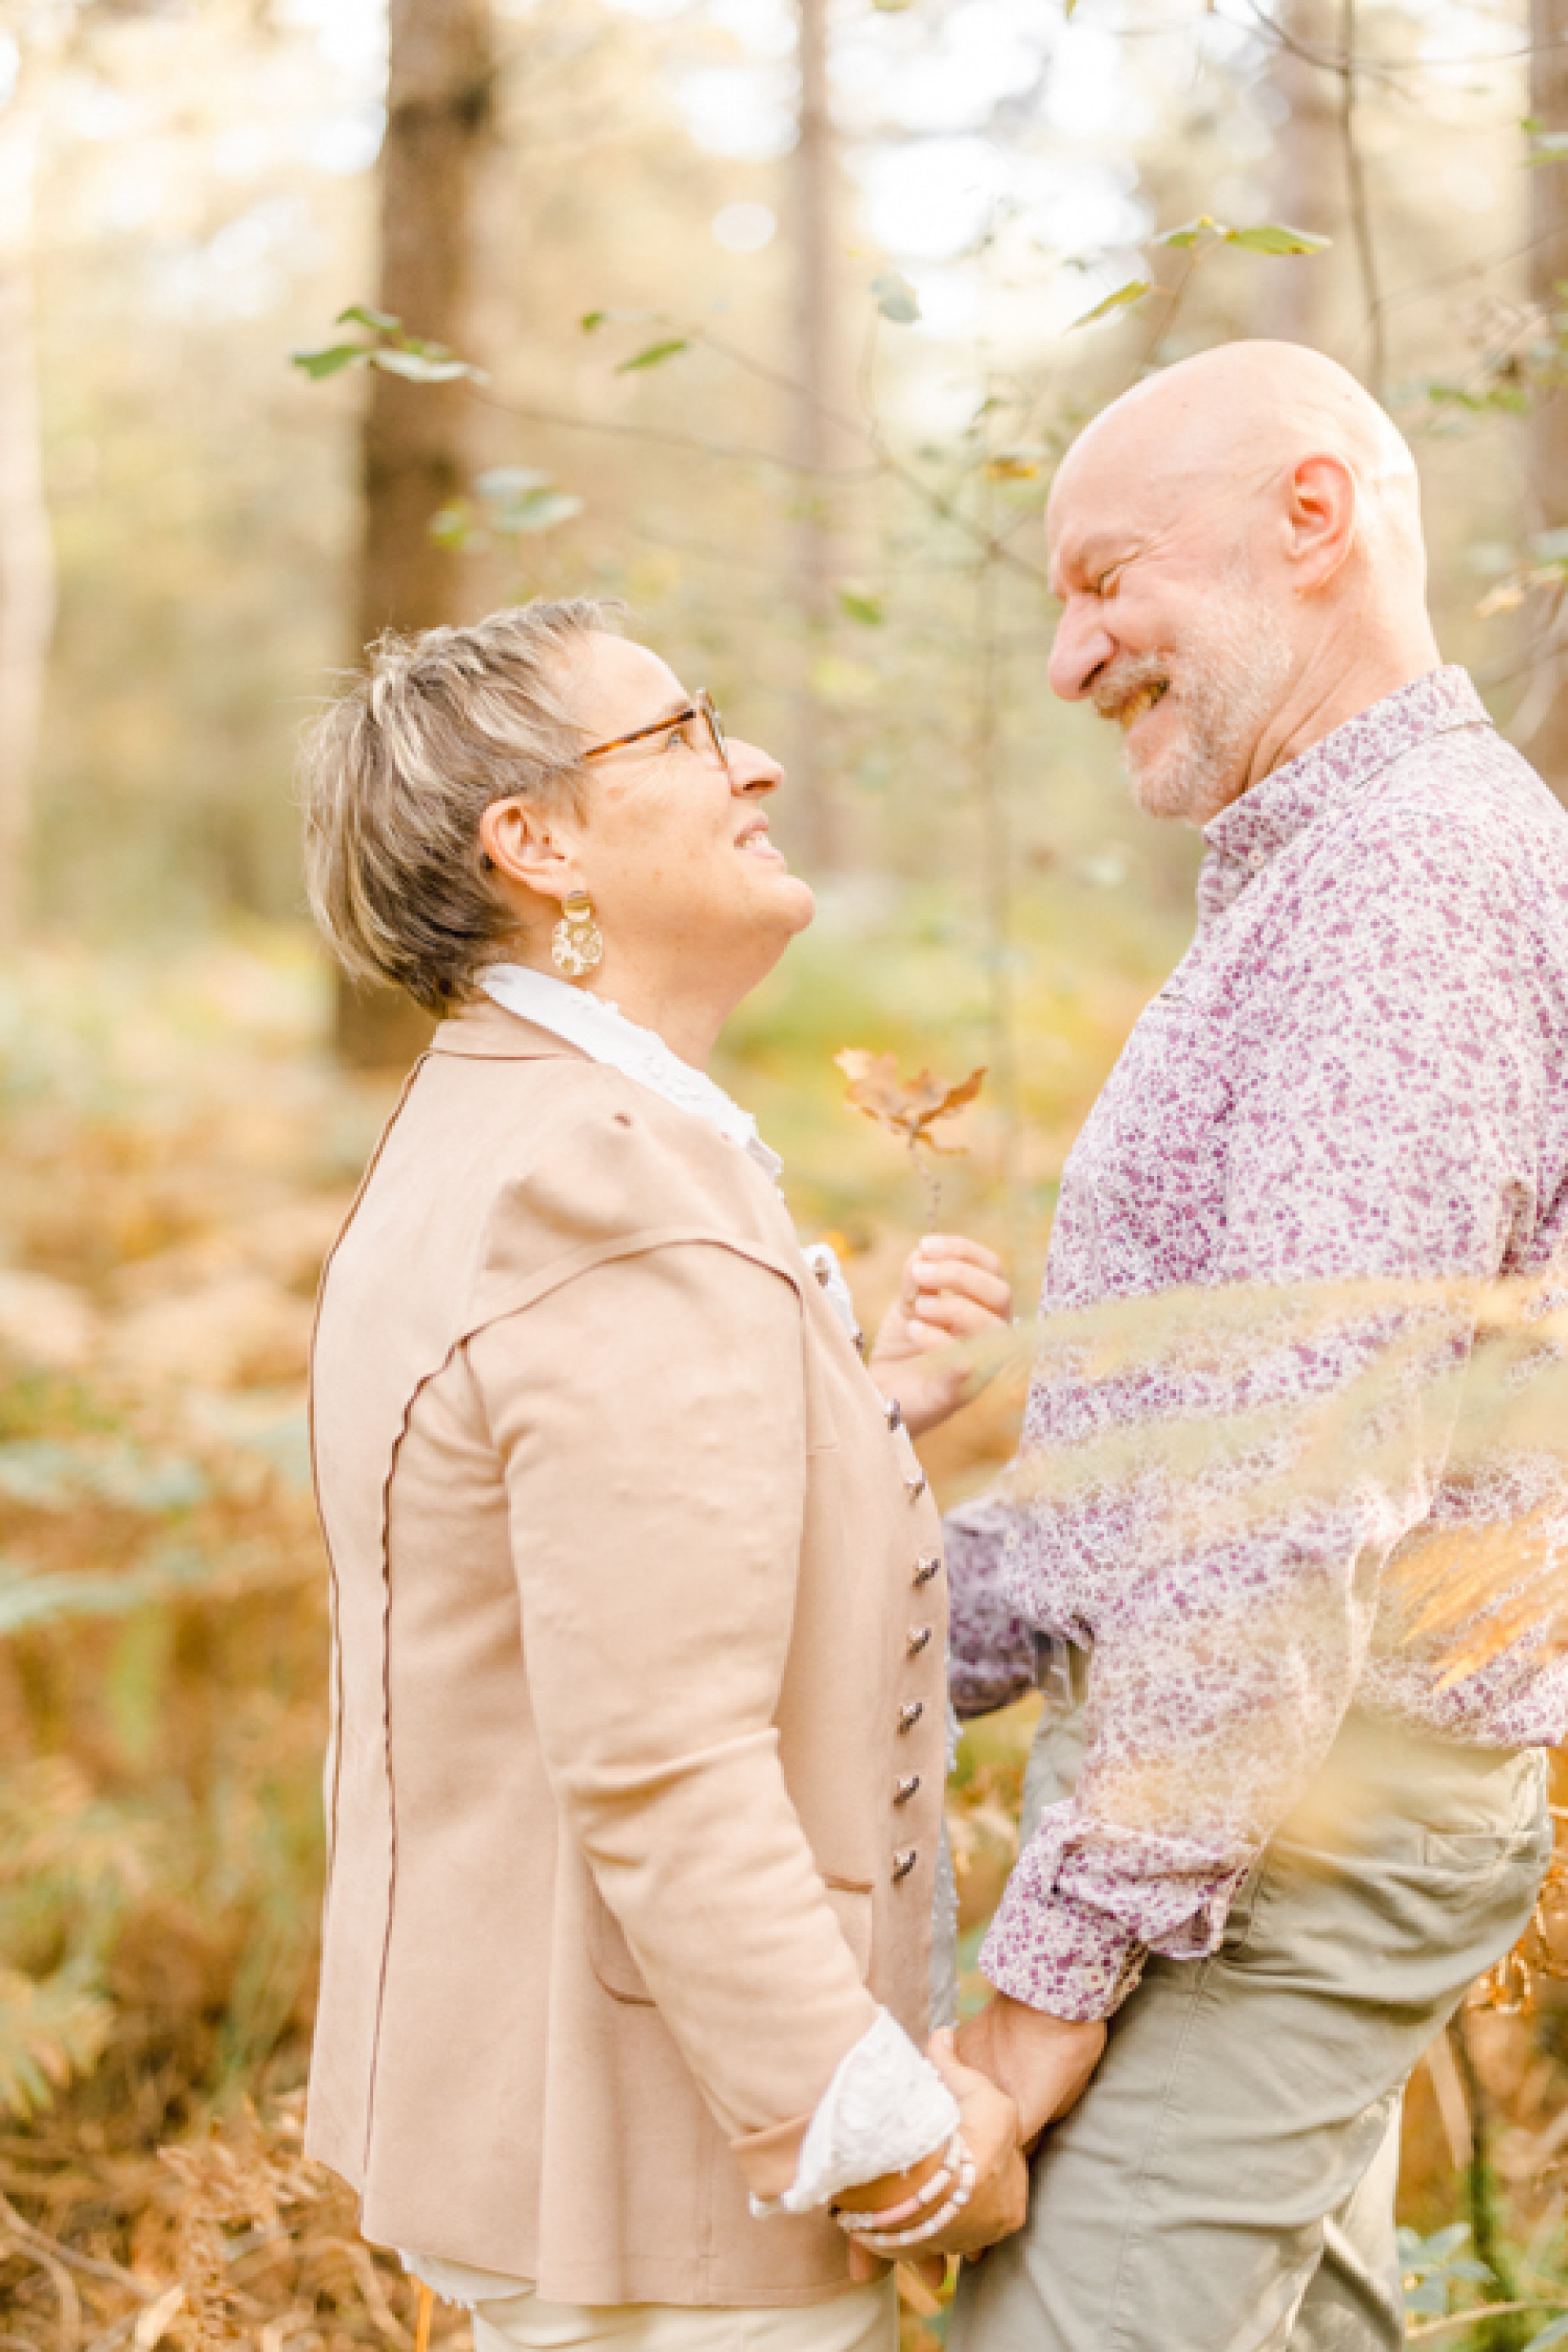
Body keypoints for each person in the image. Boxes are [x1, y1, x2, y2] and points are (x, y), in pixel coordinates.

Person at [297, 600, 1027, 2352]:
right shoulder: (606, 1178)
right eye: (685, 730)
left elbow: (563, 1545)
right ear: (537, 845)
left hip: (557, 2119)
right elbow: (661, 1760)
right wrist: (886, 2139)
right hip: (665, 2174)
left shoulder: (500, 1116)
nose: (753, 759)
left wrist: (854, 1408)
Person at [943, 341, 1568, 2351]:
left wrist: (1045, 1992)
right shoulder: (1328, 881)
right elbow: (1181, 1449)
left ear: (1314, 519)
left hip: (1294, 1831)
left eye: (1107, 574)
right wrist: (874, 1623)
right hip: (1250, 1805)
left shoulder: (1408, 896)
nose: (1069, 656)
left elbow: (1291, 1499)